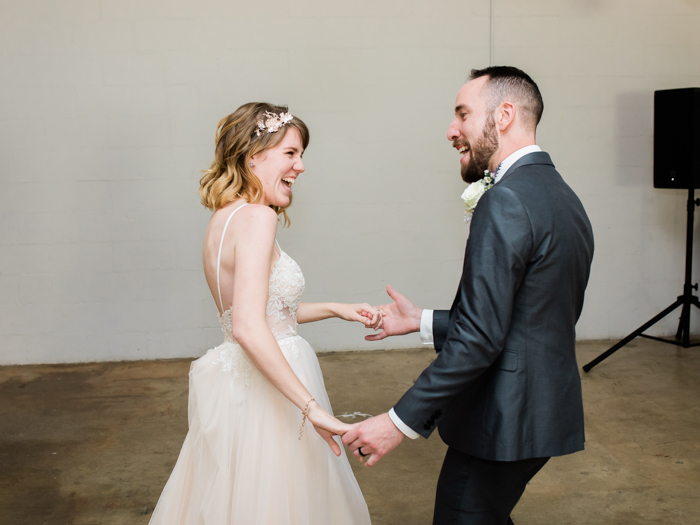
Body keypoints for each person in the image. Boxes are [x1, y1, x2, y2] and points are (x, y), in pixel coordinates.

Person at [343, 66, 595, 524]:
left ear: (503, 115)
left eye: (462, 114)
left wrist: (396, 422)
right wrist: (420, 321)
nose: (451, 130)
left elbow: (481, 337)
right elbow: (525, 317)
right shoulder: (560, 195)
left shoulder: (505, 200)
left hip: (503, 419)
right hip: (540, 411)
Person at [149, 103, 374, 524]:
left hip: (237, 384)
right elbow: (250, 326)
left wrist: (335, 309)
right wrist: (312, 408)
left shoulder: (222, 219)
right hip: (272, 388)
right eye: (291, 153)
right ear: (255, 156)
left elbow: (262, 313)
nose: (301, 166)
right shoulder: (258, 218)